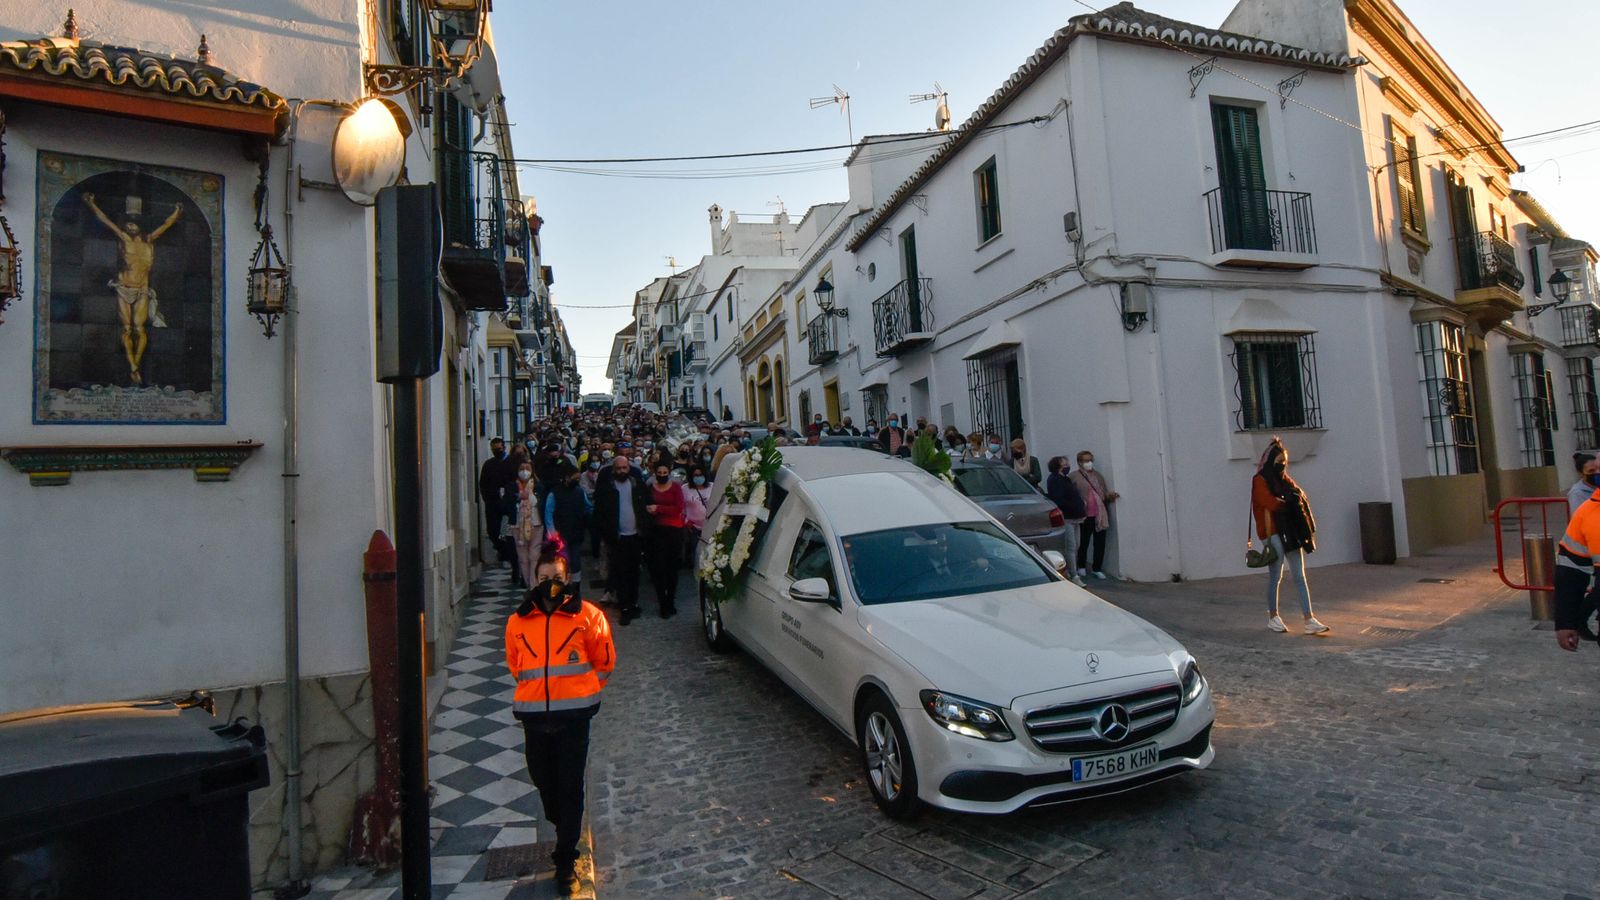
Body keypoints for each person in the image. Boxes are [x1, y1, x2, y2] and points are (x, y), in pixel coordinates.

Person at [504, 547, 615, 895]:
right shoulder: (517, 622)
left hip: (573, 719)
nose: (550, 585)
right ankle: (563, 824)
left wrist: (583, 692)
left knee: (570, 786)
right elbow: (515, 664)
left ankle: (565, 857)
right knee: (544, 783)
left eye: (556, 579)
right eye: (543, 579)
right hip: (534, 717)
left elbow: (604, 661)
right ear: (533, 580)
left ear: (567, 580)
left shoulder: (589, 617)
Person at [1252, 438, 1328, 635]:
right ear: (1270, 461)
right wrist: (1289, 502)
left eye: (1284, 462)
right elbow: (1270, 503)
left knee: (1299, 575)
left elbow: (1298, 494)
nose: (1282, 466)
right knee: (1276, 575)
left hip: (1289, 532)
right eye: (1279, 461)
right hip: (1272, 533)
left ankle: (1309, 619)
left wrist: (1293, 500)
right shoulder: (1260, 480)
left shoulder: (1284, 479)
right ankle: (1273, 617)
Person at [594, 454, 651, 625]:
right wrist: (606, 534)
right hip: (617, 537)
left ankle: (633, 602)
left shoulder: (637, 485)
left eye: (624, 468)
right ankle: (624, 606)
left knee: (634, 572)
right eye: (618, 468)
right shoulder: (607, 488)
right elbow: (600, 514)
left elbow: (644, 507)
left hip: (635, 535)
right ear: (614, 470)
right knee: (620, 573)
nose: (621, 471)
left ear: (629, 468)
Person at [645, 462, 687, 617]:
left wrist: (659, 509)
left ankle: (671, 600)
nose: (662, 474)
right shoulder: (650, 488)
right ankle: (662, 602)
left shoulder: (676, 487)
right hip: (657, 531)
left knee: (672, 569)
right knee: (659, 569)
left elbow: (678, 508)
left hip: (674, 530)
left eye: (665, 472)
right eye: (659, 472)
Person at [1069, 451, 1118, 579]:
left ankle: (1097, 568)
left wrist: (1110, 496)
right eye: (1086, 460)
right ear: (1079, 462)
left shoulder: (1098, 476)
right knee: (1083, 542)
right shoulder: (1074, 476)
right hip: (1085, 515)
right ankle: (1081, 566)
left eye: (1090, 460)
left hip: (1100, 514)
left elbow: (1103, 493)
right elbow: (1071, 494)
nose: (1089, 463)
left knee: (1100, 542)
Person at [544, 460, 592, 587]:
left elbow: (588, 507)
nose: (576, 481)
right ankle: (563, 584)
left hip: (576, 531)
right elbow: (548, 513)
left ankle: (576, 585)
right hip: (561, 533)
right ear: (566, 477)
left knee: (576, 560)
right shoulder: (554, 494)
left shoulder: (580, 492)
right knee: (563, 560)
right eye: (574, 478)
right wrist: (552, 532)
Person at [1045, 457, 1087, 586]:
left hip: (1076, 517)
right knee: (1071, 546)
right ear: (1058, 466)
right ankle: (1074, 574)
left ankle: (1071, 570)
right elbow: (1059, 499)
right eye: (1065, 463)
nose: (1068, 465)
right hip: (1067, 517)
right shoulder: (1054, 480)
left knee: (1076, 545)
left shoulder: (1065, 479)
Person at [478, 438, 518, 571]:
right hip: (492, 502)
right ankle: (503, 550)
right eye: (494, 449)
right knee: (492, 531)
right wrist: (487, 497)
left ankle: (508, 555)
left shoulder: (512, 463)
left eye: (499, 449)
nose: (497, 451)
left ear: (504, 448)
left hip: (508, 502)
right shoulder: (488, 464)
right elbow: (483, 483)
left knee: (508, 531)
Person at [511, 458, 540, 589]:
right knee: (523, 558)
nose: (524, 472)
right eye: (522, 469)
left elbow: (543, 502)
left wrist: (532, 497)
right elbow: (504, 504)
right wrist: (517, 498)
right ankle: (528, 583)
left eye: (527, 469)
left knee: (534, 555)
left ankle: (534, 585)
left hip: (536, 523)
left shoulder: (538, 486)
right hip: (518, 525)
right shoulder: (511, 487)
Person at [683, 464, 712, 567]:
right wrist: (686, 522)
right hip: (693, 526)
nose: (698, 477)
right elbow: (682, 509)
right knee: (696, 550)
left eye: (700, 475)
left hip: (709, 525)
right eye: (695, 475)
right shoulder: (685, 488)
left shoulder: (712, 487)